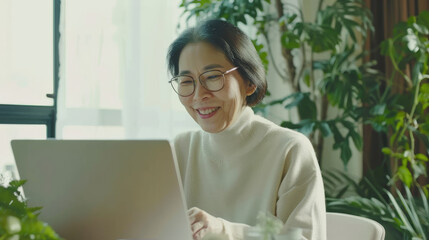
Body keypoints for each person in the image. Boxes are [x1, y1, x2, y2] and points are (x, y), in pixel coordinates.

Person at [166, 19, 326, 240]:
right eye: (186, 81)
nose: (198, 95)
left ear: (249, 82)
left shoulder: (290, 149)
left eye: (213, 77)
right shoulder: (179, 149)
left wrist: (223, 231)